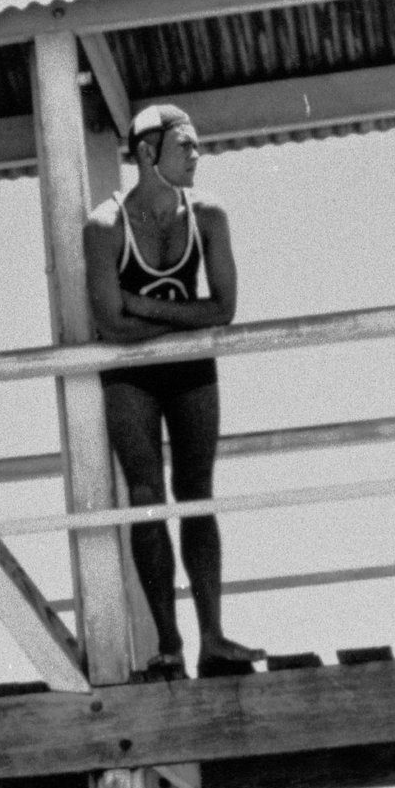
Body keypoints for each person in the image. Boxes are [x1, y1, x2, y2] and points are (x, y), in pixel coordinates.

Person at [84, 101, 260, 681]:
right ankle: (168, 646)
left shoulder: (208, 216)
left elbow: (225, 309)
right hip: (130, 375)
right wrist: (182, 316)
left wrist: (140, 304)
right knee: (145, 494)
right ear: (147, 153)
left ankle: (212, 638)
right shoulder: (105, 227)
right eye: (185, 145)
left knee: (196, 494)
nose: (196, 154)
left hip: (187, 369)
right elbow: (111, 327)